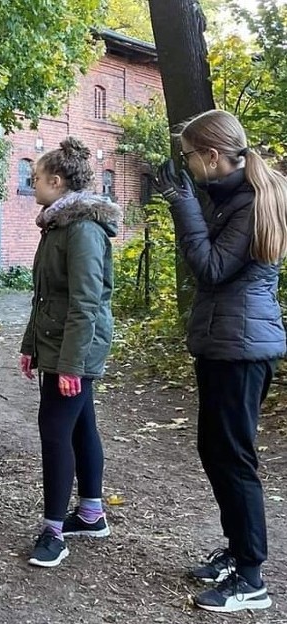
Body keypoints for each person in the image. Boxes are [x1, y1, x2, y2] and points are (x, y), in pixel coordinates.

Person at [152, 109, 287, 613]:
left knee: (234, 459)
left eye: (189, 156)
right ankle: (237, 552)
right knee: (217, 450)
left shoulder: (251, 203)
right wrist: (195, 199)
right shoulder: (233, 198)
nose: (186, 166)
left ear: (211, 155)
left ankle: (252, 578)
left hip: (242, 348)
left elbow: (209, 268)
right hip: (226, 343)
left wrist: (183, 203)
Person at [18, 137, 122, 568]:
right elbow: (45, 297)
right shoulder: (58, 225)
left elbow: (86, 302)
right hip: (59, 344)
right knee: (81, 424)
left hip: (76, 348)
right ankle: (91, 514)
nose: (32, 183)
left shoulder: (82, 230)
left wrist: (71, 364)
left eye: (36, 178)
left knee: (54, 430)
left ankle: (54, 532)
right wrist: (29, 347)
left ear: (56, 182)